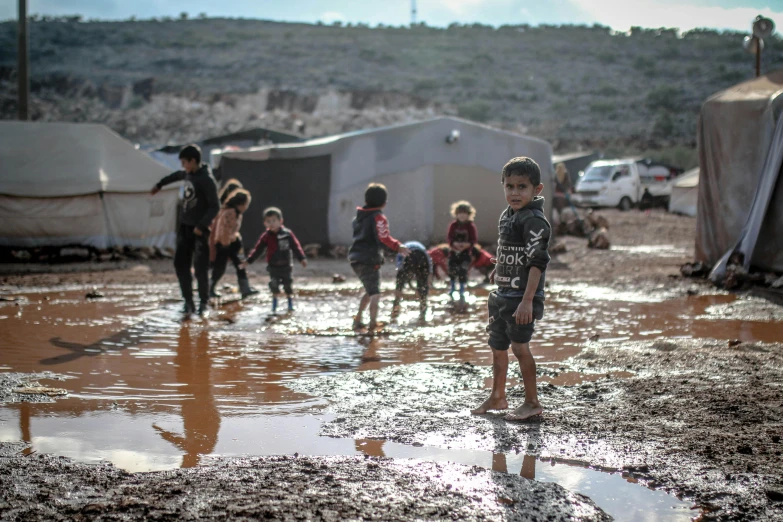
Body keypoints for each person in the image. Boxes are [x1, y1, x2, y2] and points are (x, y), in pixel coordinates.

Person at [471, 156, 551, 421]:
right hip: (502, 293)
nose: (515, 193)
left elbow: (537, 262)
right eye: (510, 186)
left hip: (521, 297)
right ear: (503, 186)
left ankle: (532, 402)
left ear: (536, 189)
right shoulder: (508, 215)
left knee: (520, 348)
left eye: (522, 187)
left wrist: (528, 300)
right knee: (497, 346)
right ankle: (497, 396)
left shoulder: (534, 221)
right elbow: (508, 248)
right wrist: (500, 267)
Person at [150, 144, 219, 317]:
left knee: (200, 267)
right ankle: (188, 301)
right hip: (185, 227)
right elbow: (177, 175)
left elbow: (215, 206)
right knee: (180, 263)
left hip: (199, 230)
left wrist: (202, 226)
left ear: (193, 161)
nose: (182, 165)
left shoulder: (206, 179)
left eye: (184, 162)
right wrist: (160, 184)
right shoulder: (189, 173)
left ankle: (203, 303)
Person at [348, 183, 410, 332]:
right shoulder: (379, 217)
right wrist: (398, 247)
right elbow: (383, 237)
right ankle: (372, 326)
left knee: (370, 290)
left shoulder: (358, 218)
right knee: (375, 294)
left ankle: (358, 320)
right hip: (369, 260)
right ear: (384, 202)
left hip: (355, 258)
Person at [241, 207, 307, 312]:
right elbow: (258, 250)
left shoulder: (287, 234)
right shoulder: (266, 237)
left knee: (287, 285)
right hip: (273, 266)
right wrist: (248, 261)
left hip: (286, 266)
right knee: (274, 285)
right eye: (268, 221)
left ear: (280, 221)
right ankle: (274, 307)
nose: (271, 223)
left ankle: (290, 304)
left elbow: (296, 246)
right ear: (264, 223)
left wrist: (302, 258)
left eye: (274, 221)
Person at [208, 187, 258, 299]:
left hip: (232, 242)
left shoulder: (236, 213)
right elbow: (224, 230)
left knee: (239, 265)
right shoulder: (229, 213)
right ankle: (209, 289)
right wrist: (225, 245)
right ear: (240, 204)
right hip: (225, 244)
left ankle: (245, 289)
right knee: (220, 268)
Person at [391, 241, 432, 321]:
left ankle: (396, 305)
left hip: (408, 256)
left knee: (399, 285)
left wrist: (403, 278)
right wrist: (428, 278)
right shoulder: (423, 249)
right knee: (422, 286)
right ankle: (423, 307)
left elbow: (399, 267)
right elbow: (429, 263)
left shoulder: (402, 248)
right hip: (422, 258)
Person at [447, 200, 478, 301]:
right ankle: (452, 287)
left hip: (465, 253)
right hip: (454, 252)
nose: (462, 216)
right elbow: (449, 238)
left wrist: (466, 245)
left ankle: (461, 289)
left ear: (469, 214)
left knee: (462, 271)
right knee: (452, 269)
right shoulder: (453, 225)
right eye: (460, 213)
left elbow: (473, 240)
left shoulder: (470, 226)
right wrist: (454, 244)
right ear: (456, 214)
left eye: (464, 213)